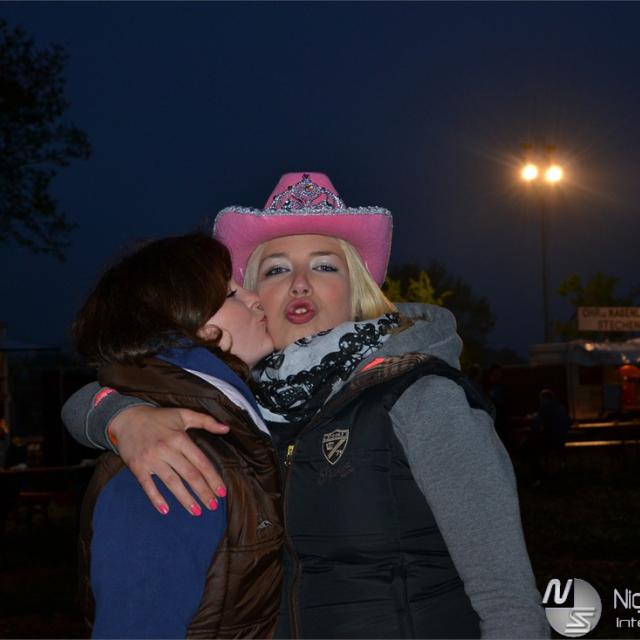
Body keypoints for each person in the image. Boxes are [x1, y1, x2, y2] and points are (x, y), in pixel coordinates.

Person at [64, 173, 549, 638]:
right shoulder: (240, 417)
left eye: (324, 266)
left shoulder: (421, 397)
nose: (299, 283)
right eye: (276, 269)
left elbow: (507, 599)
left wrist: (115, 415)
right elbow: (128, 378)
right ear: (254, 299)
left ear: (357, 289)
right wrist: (118, 416)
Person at [73, 233, 283, 639]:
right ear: (188, 326)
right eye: (231, 294)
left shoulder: (226, 436)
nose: (256, 299)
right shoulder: (174, 464)